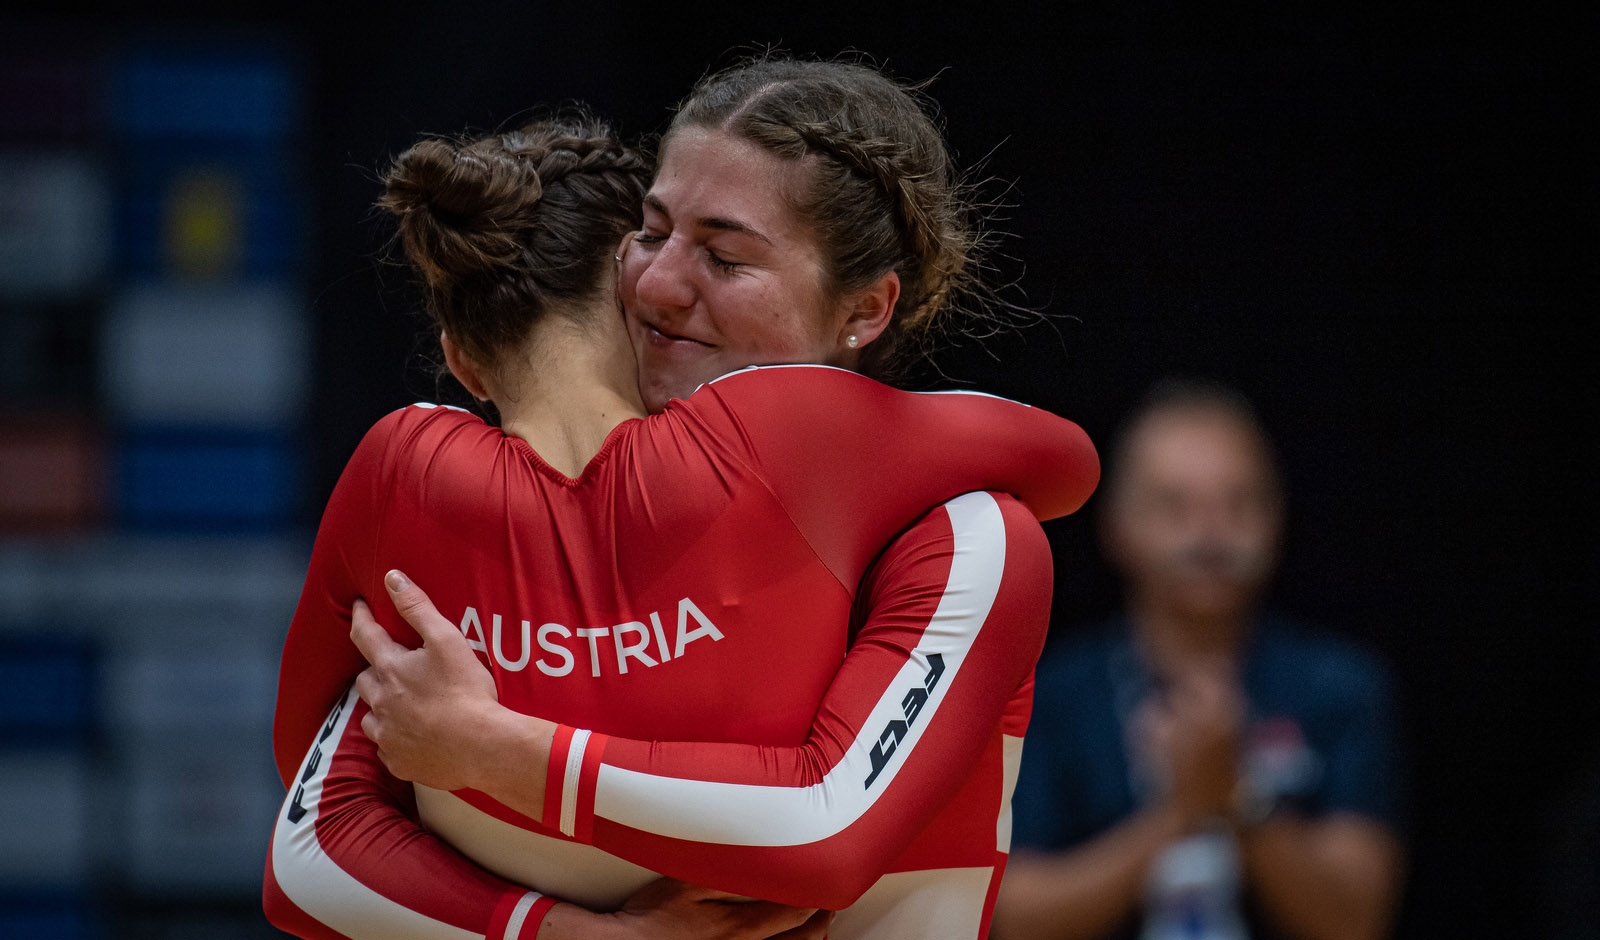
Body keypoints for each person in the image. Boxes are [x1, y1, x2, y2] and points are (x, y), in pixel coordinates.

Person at [265, 53, 1099, 940]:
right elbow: (315, 831)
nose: (659, 286)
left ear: (864, 309)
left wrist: (494, 754)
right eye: (651, 233)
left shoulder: (963, 538)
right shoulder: (474, 503)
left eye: (725, 257)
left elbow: (829, 833)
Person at [991, 377, 1406, 940]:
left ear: (1278, 517)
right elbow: (1014, 916)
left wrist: (1240, 797)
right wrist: (1181, 811)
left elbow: (1357, 918)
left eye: (1239, 502)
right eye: (1174, 505)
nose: (1210, 533)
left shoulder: (1339, 685)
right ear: (1115, 525)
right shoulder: (1048, 693)